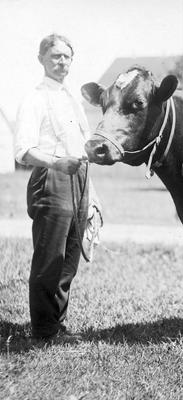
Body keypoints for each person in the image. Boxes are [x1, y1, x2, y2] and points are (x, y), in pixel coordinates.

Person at [14, 33, 94, 343]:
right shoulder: (35, 97)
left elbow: (83, 147)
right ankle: (44, 330)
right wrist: (56, 163)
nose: (61, 62)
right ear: (41, 59)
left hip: (79, 177)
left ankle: (56, 326)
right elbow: (22, 150)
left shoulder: (70, 97)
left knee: (70, 255)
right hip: (51, 176)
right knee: (50, 257)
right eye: (55, 56)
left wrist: (92, 193)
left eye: (66, 57)